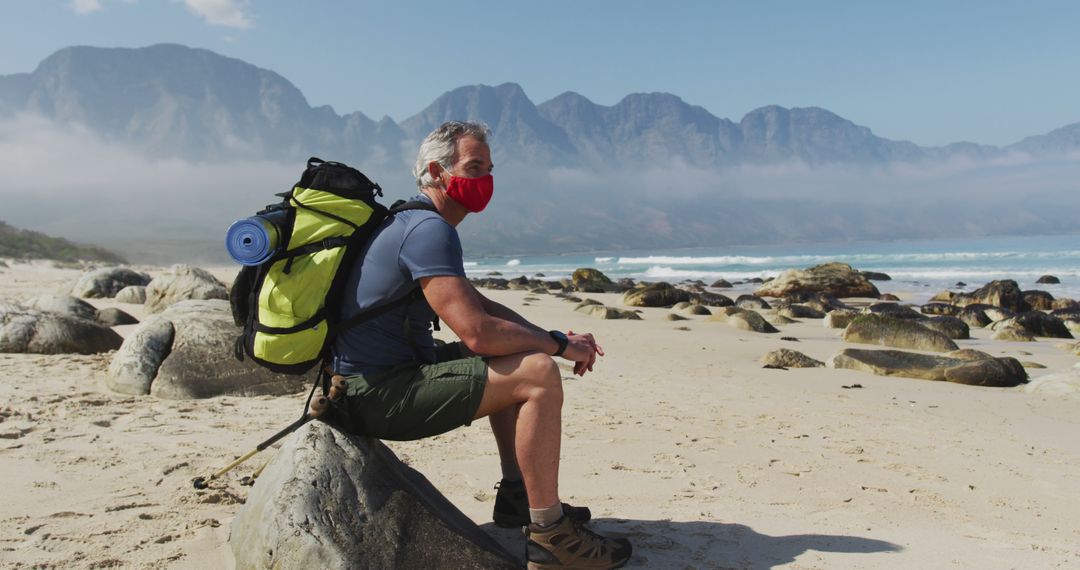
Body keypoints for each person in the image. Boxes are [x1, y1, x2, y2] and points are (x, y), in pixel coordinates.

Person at [332, 121, 632, 569]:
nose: (484, 180)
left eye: (489, 169)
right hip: (375, 394)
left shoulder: (412, 221)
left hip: (367, 384)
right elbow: (476, 332)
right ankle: (551, 536)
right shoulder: (427, 230)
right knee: (538, 374)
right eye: (474, 167)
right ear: (436, 170)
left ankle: (518, 496)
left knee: (521, 355)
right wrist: (555, 349)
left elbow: (482, 306)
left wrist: (556, 337)